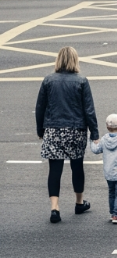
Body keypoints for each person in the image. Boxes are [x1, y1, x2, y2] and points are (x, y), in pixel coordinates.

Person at [35, 46, 99, 223]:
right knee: (77, 167)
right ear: (75, 60)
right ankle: (79, 203)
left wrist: (40, 129)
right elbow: (89, 110)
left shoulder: (48, 80)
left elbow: (40, 108)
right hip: (76, 130)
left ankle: (55, 208)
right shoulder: (81, 81)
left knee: (55, 169)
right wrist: (94, 133)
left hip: (53, 130)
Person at [90, 114, 117, 224]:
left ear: (107, 127)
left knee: (111, 193)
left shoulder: (104, 139)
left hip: (108, 173)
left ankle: (112, 213)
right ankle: (116, 215)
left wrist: (91, 141)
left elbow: (96, 150)